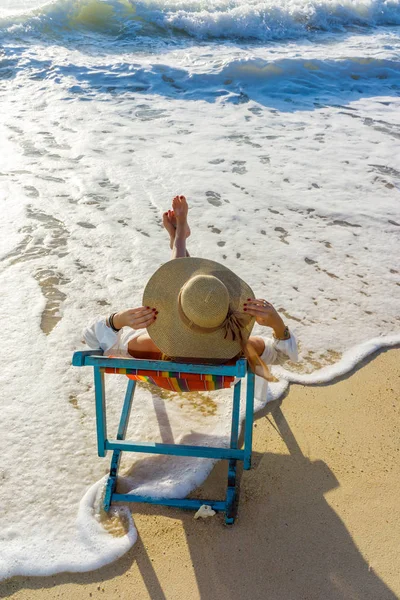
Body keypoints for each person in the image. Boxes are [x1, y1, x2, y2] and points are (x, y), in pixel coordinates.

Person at [83, 195, 298, 394]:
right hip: (213, 380)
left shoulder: (144, 346)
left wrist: (117, 320)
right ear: (225, 310)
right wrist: (277, 324)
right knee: (194, 290)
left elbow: (94, 341)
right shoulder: (241, 348)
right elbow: (281, 354)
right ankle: (178, 240)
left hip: (162, 379)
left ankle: (179, 240)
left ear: (175, 324)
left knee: (187, 290)